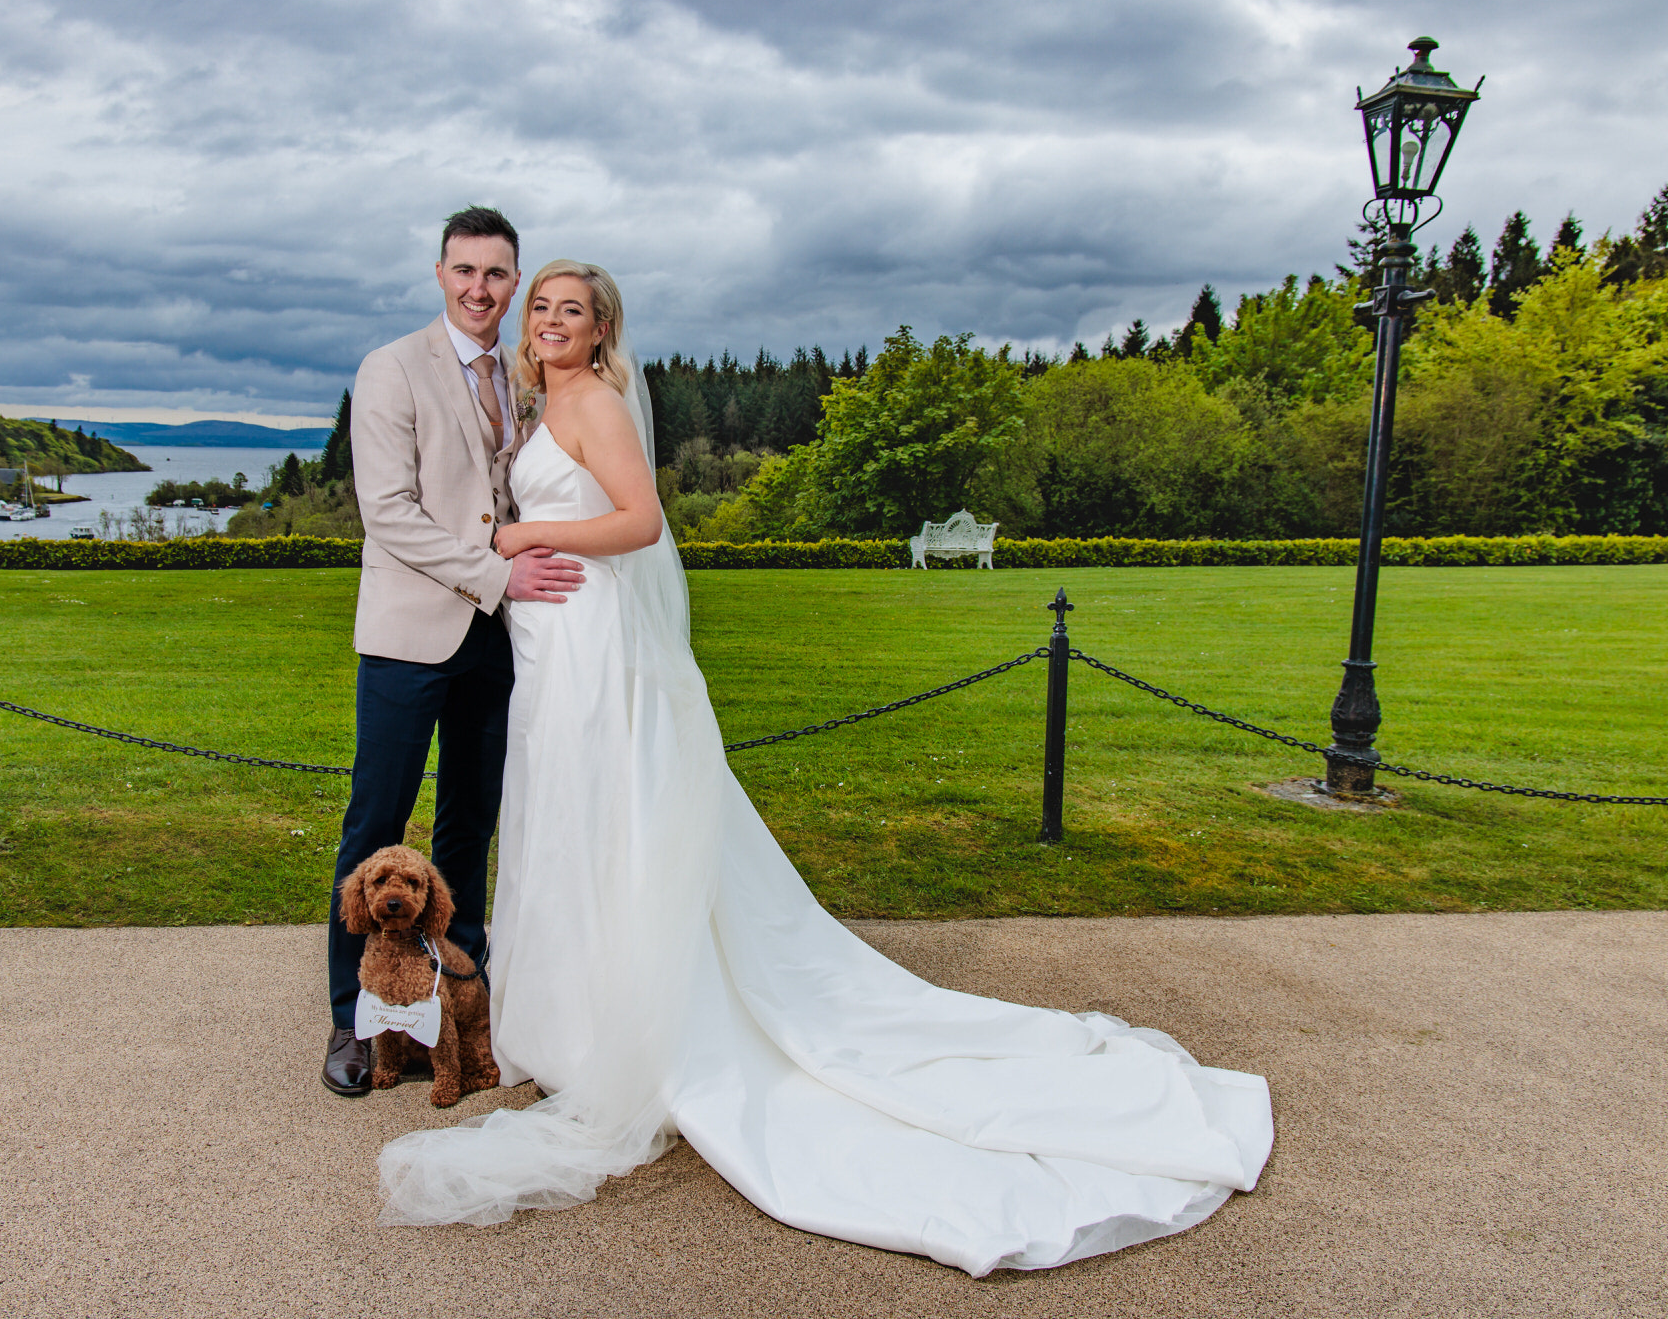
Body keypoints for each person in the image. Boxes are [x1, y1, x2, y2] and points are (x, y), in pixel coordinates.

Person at [372, 261, 1276, 1278]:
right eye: (538, 306)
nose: (546, 321)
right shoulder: (553, 403)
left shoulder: (594, 403)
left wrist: (525, 530)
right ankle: (572, 1029)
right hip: (549, 645)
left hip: (588, 647)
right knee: (563, 829)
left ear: (599, 328)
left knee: (603, 826)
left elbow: (640, 523)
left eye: (566, 310)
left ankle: (616, 1040)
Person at [321, 208, 584, 1096]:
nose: (481, 289)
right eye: (465, 271)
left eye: (497, 275)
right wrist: (498, 576)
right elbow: (388, 513)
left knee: (471, 827)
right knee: (376, 827)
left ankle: (454, 1008)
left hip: (497, 644)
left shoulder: (521, 376)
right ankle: (353, 1023)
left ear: (514, 284)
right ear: (440, 273)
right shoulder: (390, 369)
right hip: (408, 638)